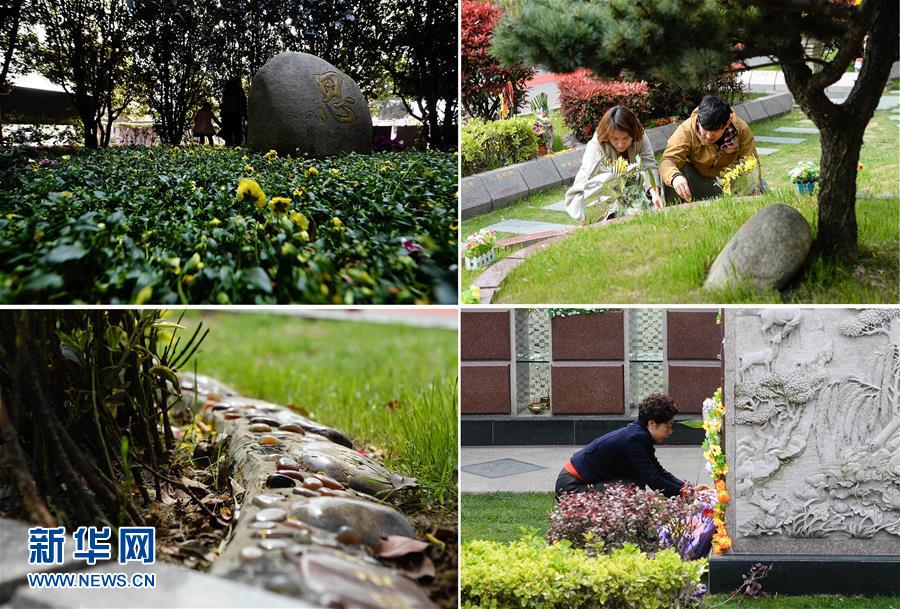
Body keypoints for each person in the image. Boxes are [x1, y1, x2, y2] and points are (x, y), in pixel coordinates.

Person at [555, 393, 711, 500]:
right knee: (633, 486)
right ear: (652, 424)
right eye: (668, 426)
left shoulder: (640, 436)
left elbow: (658, 470)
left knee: (635, 482)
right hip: (571, 487)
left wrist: (687, 488)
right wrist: (687, 495)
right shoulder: (634, 440)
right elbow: (654, 480)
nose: (670, 431)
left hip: (577, 482)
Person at [565, 105, 664, 224]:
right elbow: (592, 181)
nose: (621, 144)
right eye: (615, 139)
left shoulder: (639, 134)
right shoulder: (596, 145)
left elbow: (649, 164)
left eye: (626, 138)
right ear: (608, 136)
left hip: (626, 189)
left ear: (633, 134)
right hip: (592, 192)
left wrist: (655, 193)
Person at [660, 95, 760, 203]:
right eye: (705, 131)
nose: (708, 136)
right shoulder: (686, 130)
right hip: (698, 182)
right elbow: (667, 160)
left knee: (761, 186)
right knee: (673, 173)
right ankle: (675, 209)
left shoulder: (741, 130)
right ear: (699, 120)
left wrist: (753, 184)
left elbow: (751, 161)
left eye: (715, 132)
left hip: (729, 185)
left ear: (727, 124)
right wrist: (675, 178)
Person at [219, 77, 247, 147]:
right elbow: (243, 104)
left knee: (228, 133)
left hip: (226, 115)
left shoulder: (226, 91)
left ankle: (229, 148)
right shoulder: (239, 91)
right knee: (237, 133)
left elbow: (224, 103)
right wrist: (245, 115)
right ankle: (237, 148)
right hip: (236, 114)